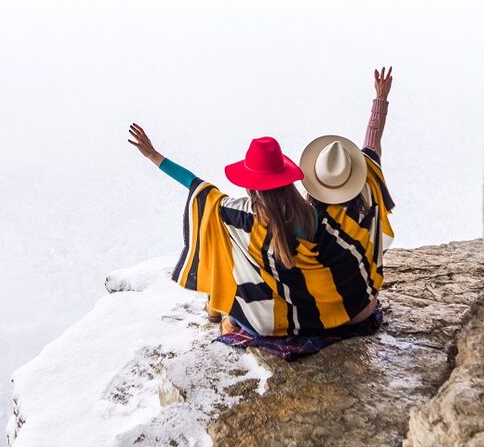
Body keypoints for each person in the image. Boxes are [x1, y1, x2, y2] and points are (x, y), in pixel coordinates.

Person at [127, 67, 395, 358]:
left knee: (226, 259)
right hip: (354, 306)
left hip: (279, 322)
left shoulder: (241, 216)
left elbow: (196, 185)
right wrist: (380, 99)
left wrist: (154, 155)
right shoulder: (345, 210)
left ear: (252, 187)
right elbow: (372, 146)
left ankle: (217, 313)